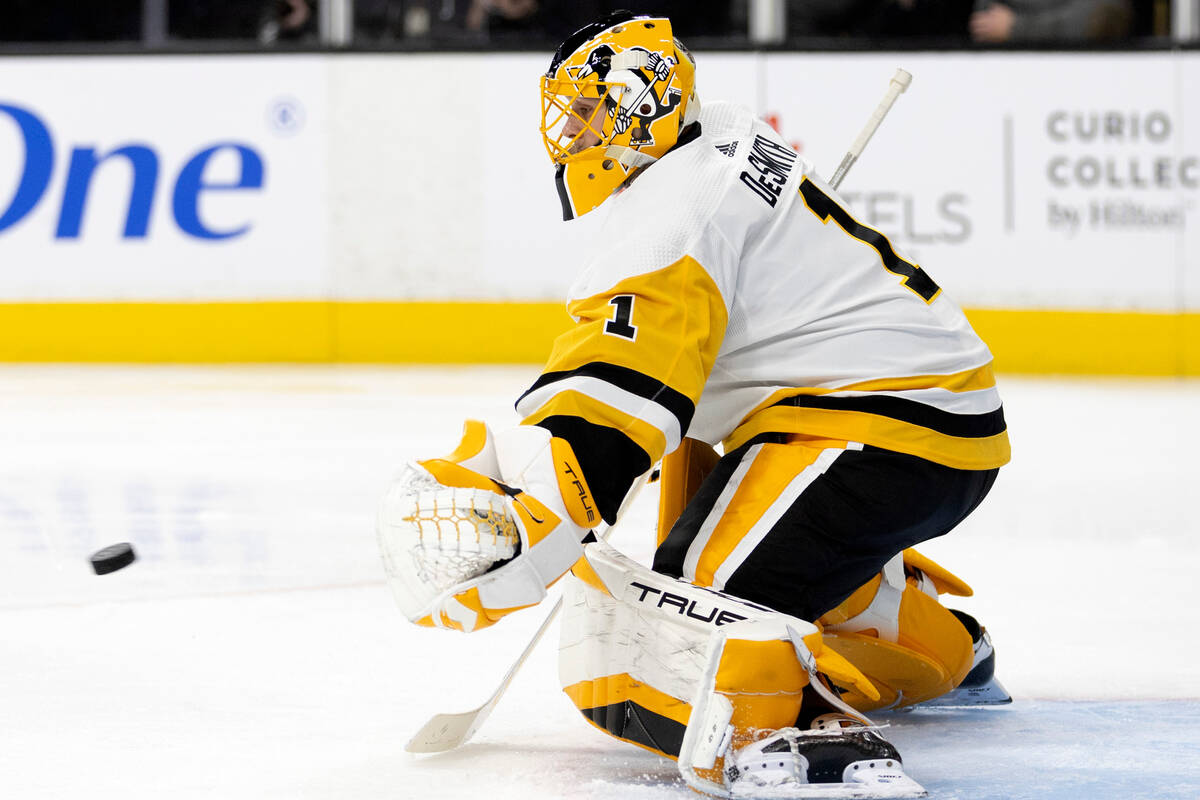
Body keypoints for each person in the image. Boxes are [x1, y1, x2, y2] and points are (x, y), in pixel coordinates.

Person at [377, 11, 1011, 798]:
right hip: (912, 418)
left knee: (688, 614)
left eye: (585, 108)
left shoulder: (673, 219)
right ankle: (946, 646)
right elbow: (673, 385)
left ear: (640, 108)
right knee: (713, 554)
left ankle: (798, 736)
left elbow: (620, 393)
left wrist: (542, 512)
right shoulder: (718, 135)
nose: (568, 130)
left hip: (870, 429)